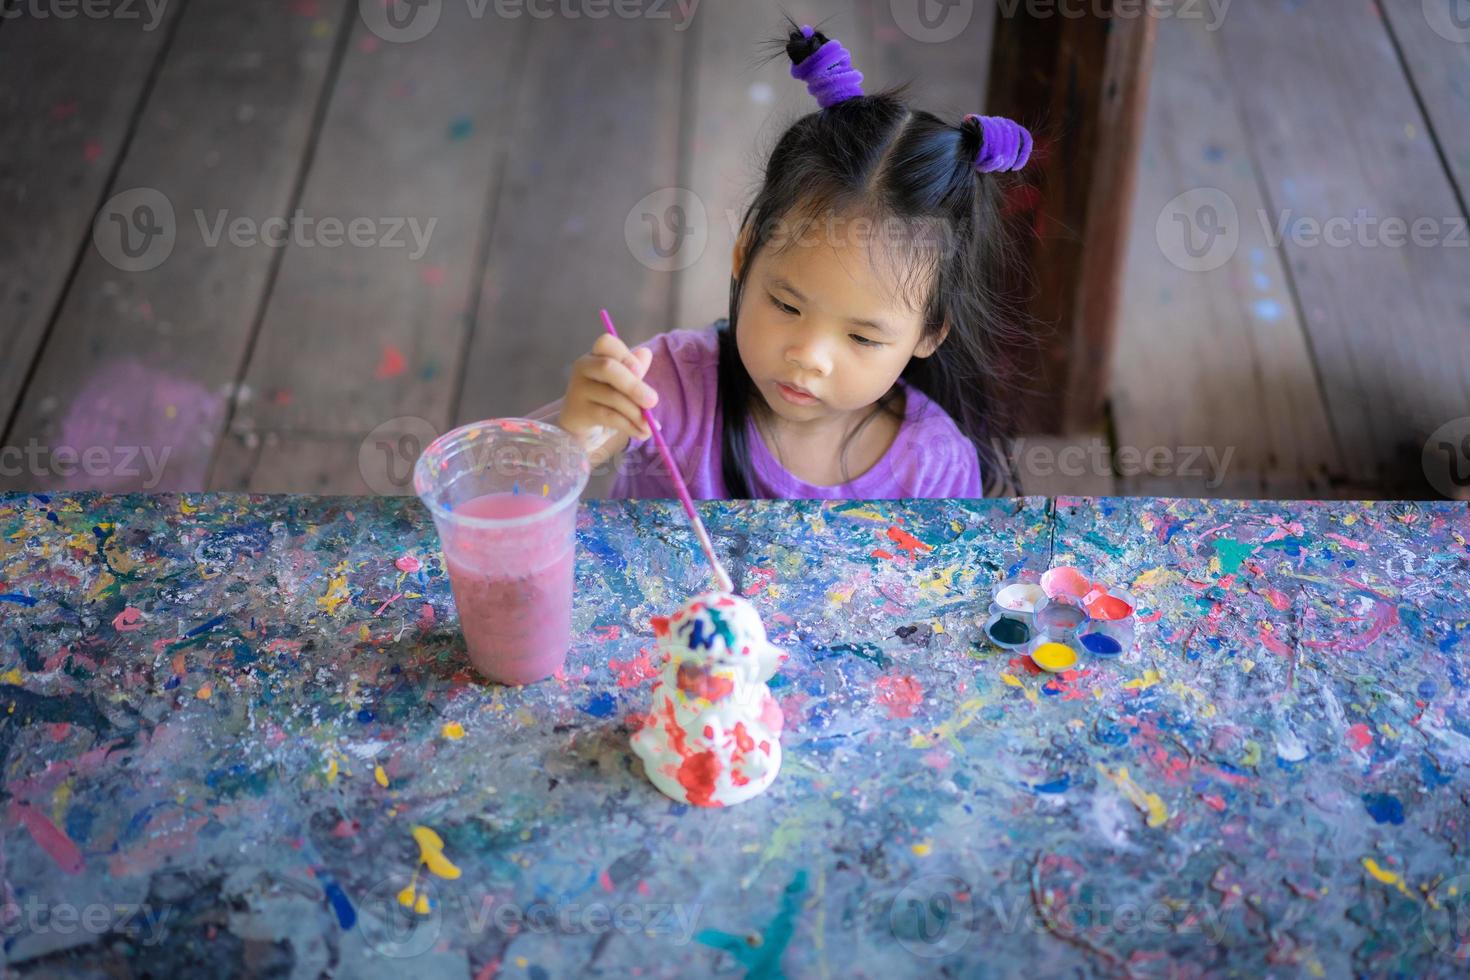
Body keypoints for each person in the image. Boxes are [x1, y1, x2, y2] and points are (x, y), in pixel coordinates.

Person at [560, 22, 1034, 499]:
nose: (808, 356)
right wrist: (572, 441)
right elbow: (504, 501)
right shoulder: (665, 389)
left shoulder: (933, 466)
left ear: (930, 332)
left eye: (863, 337)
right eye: (787, 306)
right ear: (745, 253)